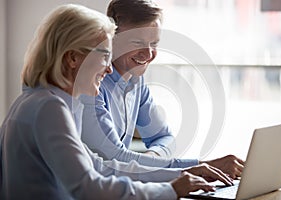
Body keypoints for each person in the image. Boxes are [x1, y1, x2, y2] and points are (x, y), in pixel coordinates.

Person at [0, 4, 234, 200]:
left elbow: (102, 167)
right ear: (72, 57)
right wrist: (170, 189)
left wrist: (179, 174)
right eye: (104, 55)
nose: (109, 67)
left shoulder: (38, 102)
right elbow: (88, 187)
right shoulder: (50, 108)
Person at [81, 0, 244, 179]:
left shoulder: (136, 82)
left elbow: (164, 138)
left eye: (155, 44)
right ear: (110, 38)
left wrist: (150, 162)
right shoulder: (91, 86)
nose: (149, 54)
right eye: (137, 42)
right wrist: (199, 166)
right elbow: (115, 157)